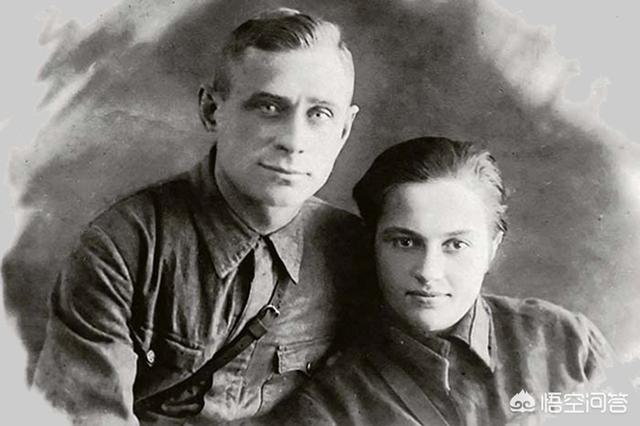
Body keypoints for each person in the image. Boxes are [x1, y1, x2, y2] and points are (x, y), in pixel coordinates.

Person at [33, 8, 365, 425]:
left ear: (344, 130)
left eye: (320, 114)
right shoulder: (125, 247)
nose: (294, 141)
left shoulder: (352, 251)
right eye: (268, 107)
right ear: (211, 110)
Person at [262, 137, 615, 425]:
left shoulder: (567, 344)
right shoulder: (331, 407)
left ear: (492, 248)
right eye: (405, 242)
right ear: (372, 245)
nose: (428, 271)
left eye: (455, 245)